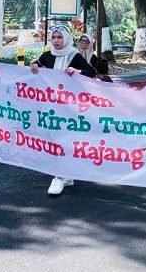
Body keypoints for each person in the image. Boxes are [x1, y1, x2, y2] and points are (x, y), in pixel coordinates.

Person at [30, 25, 97, 195]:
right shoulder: (48, 55)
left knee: (64, 138)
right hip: (52, 105)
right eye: (54, 37)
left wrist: (77, 70)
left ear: (66, 39)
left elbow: (92, 72)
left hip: (70, 106)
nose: (56, 41)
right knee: (54, 137)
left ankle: (59, 176)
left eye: (60, 37)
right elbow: (36, 64)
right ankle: (65, 173)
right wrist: (33, 66)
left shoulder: (74, 55)